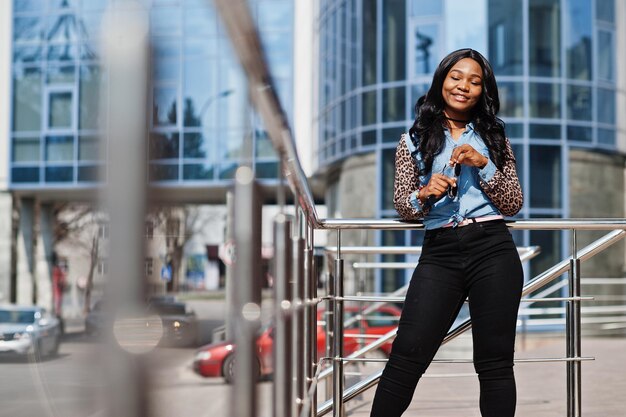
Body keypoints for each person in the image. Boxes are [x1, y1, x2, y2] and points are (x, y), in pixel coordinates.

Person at [370, 48, 524, 417]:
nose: (464, 86)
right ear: (442, 80)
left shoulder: (497, 139)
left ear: (483, 91)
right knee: (406, 354)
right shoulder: (412, 140)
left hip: (493, 249)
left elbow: (513, 202)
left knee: (495, 363)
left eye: (475, 81)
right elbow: (403, 206)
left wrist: (483, 164)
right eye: (457, 77)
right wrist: (424, 193)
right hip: (440, 251)